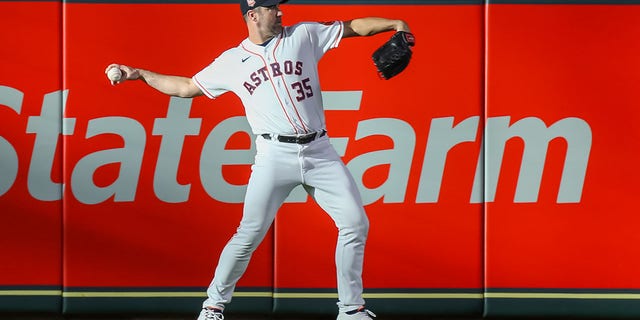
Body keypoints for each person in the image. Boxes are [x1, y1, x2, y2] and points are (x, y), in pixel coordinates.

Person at [105, 0, 410, 319]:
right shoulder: (232, 61)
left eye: (278, 6)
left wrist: (395, 23)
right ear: (252, 15)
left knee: (355, 223)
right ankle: (213, 305)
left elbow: (353, 27)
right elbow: (186, 87)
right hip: (274, 155)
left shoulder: (303, 35)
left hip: (320, 151)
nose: (279, 12)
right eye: (270, 7)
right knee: (248, 233)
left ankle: (351, 309)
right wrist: (139, 74)